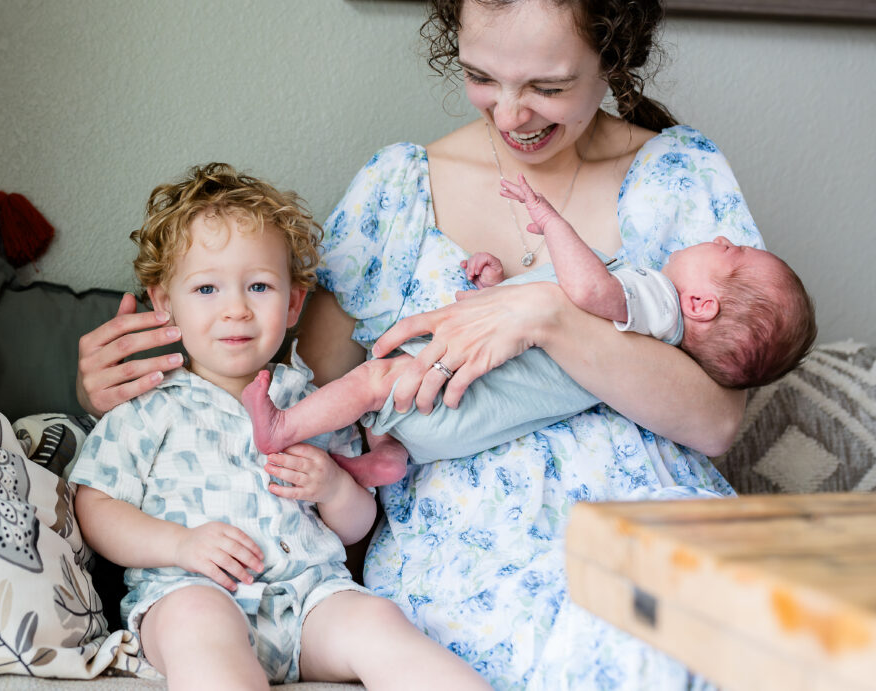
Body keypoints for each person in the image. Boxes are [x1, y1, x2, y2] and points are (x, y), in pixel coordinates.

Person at [76, 1, 784, 687]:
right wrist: (132, 388)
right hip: (464, 556)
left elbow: (717, 421)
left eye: (549, 86)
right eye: (482, 77)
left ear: (613, 54)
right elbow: (309, 387)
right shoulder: (399, 191)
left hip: (641, 524)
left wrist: (547, 315)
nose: (510, 115)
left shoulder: (677, 176)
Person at [69, 163, 491, 690]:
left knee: (379, 622)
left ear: (293, 303)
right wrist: (179, 546)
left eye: (260, 286)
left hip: (310, 599)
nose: (236, 310)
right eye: (206, 289)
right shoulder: (149, 407)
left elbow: (358, 524)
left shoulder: (316, 404)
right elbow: (95, 506)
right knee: (198, 626)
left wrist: (335, 487)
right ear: (163, 303)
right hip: (191, 590)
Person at [240, 172, 816, 483]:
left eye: (730, 253)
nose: (721, 238)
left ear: (702, 306)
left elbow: (582, 294)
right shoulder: (649, 322)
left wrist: (550, 220)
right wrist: (497, 288)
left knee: (374, 382)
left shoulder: (656, 303)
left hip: (454, 399)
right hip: (469, 421)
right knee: (391, 405)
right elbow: (534, 329)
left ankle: (284, 427)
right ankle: (384, 457)